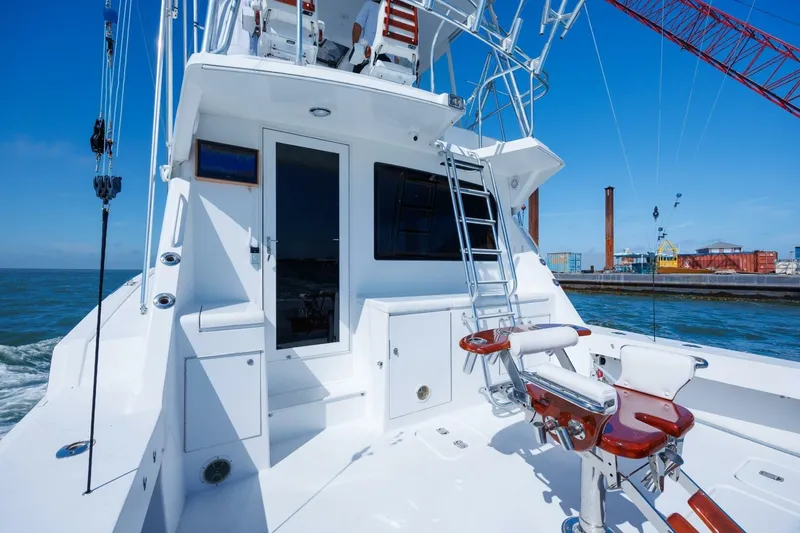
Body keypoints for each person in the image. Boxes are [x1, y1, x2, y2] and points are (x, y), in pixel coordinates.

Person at [350, 0, 391, 74]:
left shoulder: (370, 5)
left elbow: (357, 26)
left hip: (368, 54)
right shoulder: (397, 14)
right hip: (388, 63)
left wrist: (356, 50)